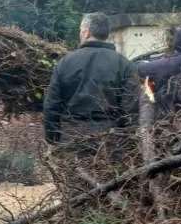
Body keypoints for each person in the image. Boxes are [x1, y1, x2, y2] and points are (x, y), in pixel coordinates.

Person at [42, 12, 139, 148]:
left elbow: (52, 106)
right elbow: (131, 108)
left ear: (86, 32)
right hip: (109, 142)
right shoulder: (124, 65)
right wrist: (124, 139)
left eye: (80, 30)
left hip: (72, 139)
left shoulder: (65, 62)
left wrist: (53, 140)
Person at [137, 26, 181, 116]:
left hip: (168, 118)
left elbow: (141, 70)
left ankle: (145, 125)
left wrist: (143, 63)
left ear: (176, 42)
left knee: (147, 85)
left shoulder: (166, 64)